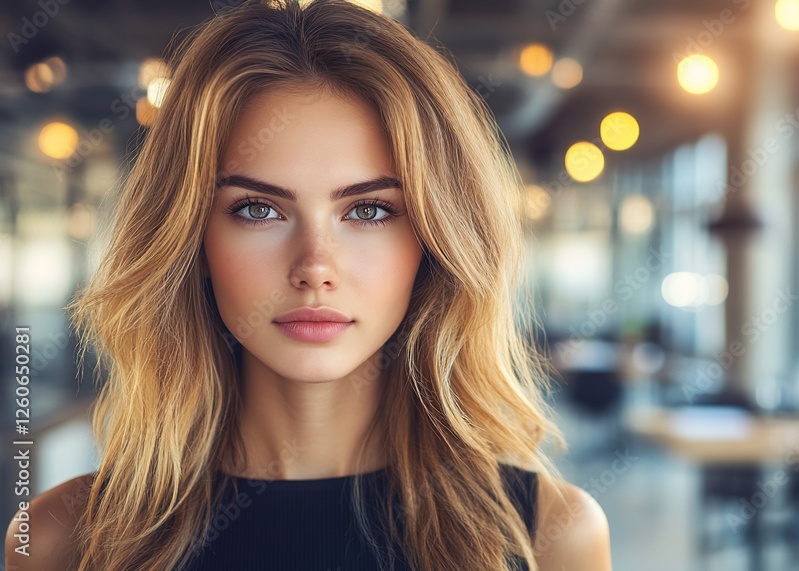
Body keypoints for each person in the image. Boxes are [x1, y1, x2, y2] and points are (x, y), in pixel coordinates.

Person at [4, 0, 612, 570]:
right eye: (259, 209)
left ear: (434, 241)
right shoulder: (62, 540)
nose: (315, 265)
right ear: (191, 239)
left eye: (369, 210)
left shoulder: (549, 536)